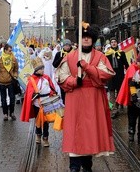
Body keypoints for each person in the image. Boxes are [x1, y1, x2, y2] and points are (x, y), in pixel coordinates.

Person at [55, 22, 115, 172]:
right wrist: (75, 81)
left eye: (89, 37)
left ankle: (87, 166)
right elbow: (61, 77)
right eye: (84, 37)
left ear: (93, 40)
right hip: (75, 98)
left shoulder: (100, 56)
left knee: (89, 132)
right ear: (79, 39)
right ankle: (74, 167)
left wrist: (88, 68)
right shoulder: (70, 57)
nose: (86, 40)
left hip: (93, 99)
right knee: (75, 131)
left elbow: (106, 74)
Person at [20, 57, 58, 147]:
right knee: (38, 121)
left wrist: (52, 93)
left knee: (45, 121)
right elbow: (29, 92)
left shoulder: (46, 78)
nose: (43, 70)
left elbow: (52, 88)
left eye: (43, 68)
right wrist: (33, 95)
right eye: (41, 69)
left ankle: (45, 138)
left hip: (46, 103)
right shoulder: (32, 79)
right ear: (36, 70)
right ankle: (38, 135)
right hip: (37, 104)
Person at [117, 51, 140, 144]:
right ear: (137, 61)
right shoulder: (132, 69)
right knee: (132, 117)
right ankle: (131, 133)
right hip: (133, 99)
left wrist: (139, 83)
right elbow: (130, 83)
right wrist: (133, 94)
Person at [0, 43, 19, 121]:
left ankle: (12, 113)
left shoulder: (13, 58)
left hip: (10, 81)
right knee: (3, 99)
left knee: (12, 98)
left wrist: (15, 75)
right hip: (2, 82)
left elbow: (16, 69)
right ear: (5, 50)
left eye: (11, 51)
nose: (10, 52)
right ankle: (5, 114)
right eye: (9, 51)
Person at [105, 37, 129, 118]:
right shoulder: (107, 54)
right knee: (111, 92)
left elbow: (126, 63)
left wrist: (129, 71)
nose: (113, 43)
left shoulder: (121, 53)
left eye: (115, 42)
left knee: (119, 92)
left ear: (117, 43)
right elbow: (105, 65)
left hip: (120, 75)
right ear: (110, 44)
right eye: (112, 42)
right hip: (111, 76)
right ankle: (113, 109)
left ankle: (119, 105)